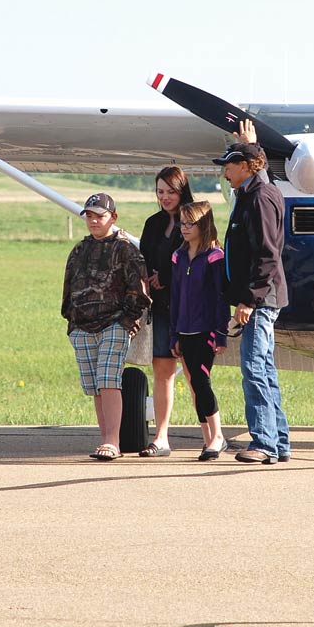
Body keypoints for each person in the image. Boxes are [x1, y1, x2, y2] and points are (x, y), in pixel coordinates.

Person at [212, 138, 291, 464]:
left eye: (229, 165)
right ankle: (279, 443)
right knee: (265, 370)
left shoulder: (259, 198)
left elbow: (267, 255)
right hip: (259, 297)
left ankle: (264, 444)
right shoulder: (253, 193)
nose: (225, 171)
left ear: (247, 166)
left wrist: (249, 300)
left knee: (255, 369)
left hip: (258, 299)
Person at [62, 193, 151, 461]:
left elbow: (140, 291)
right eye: (89, 215)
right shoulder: (79, 249)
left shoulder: (125, 250)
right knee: (95, 387)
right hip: (82, 326)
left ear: (113, 217)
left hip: (115, 323)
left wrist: (126, 321)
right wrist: (72, 324)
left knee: (109, 380)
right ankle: (104, 440)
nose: (93, 220)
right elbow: (68, 287)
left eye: (99, 215)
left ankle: (113, 442)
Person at [138, 166, 194, 457]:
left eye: (171, 191)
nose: (165, 197)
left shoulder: (197, 219)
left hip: (189, 309)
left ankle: (213, 436)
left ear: (182, 190)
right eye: (160, 192)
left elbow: (202, 259)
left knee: (195, 372)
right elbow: (143, 258)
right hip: (160, 308)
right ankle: (161, 438)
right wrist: (146, 279)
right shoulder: (152, 223)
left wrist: (167, 278)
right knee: (163, 372)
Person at [169, 201, 231, 460]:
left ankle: (217, 436)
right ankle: (207, 438)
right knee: (194, 383)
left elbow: (221, 297)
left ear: (203, 224)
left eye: (190, 223)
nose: (184, 228)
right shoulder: (178, 256)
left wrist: (221, 332)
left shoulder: (215, 257)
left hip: (206, 330)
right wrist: (174, 333)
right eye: (182, 222)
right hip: (184, 329)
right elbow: (174, 296)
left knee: (202, 382)